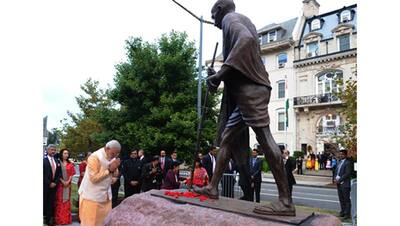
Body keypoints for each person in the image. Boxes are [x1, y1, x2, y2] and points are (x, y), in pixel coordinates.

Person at [194, 0, 295, 216]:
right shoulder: (242, 19)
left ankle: (285, 202)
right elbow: (242, 58)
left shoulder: (231, 19)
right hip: (246, 93)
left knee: (265, 140)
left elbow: (246, 41)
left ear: (220, 11)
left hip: (252, 92)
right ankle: (213, 187)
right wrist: (219, 75)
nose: (214, 22)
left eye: (213, 17)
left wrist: (220, 74)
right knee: (226, 139)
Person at [78, 140, 121, 226]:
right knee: (90, 224)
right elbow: (93, 178)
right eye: (113, 153)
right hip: (91, 198)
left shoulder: (112, 157)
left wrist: (115, 173)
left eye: (117, 154)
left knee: (104, 223)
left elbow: (115, 173)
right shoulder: (94, 157)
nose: (114, 156)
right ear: (107, 148)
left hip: (106, 197)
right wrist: (109, 170)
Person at [54, 148, 76, 225]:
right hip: (60, 185)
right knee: (60, 201)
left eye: (67, 153)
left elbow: (72, 174)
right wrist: (63, 181)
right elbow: (57, 174)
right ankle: (59, 219)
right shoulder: (58, 163)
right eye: (64, 153)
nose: (66, 155)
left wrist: (68, 182)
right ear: (61, 154)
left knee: (66, 201)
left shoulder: (70, 164)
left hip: (68, 186)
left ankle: (66, 219)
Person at [43, 144, 62, 226]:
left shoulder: (57, 161)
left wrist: (55, 182)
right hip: (45, 185)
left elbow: (59, 173)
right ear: (47, 150)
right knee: (44, 201)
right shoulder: (43, 160)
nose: (53, 151)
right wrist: (49, 183)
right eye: (51, 149)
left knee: (51, 202)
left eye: (54, 150)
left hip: (54, 186)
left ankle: (49, 219)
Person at [334, 150, 353, 219]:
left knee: (346, 199)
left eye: (342, 154)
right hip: (339, 184)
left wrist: (339, 180)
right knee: (341, 199)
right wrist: (335, 179)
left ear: (345, 155)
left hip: (345, 184)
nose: (341, 155)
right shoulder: (339, 162)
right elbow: (336, 171)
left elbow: (347, 173)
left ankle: (347, 214)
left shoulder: (348, 163)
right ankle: (342, 212)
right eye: (340, 154)